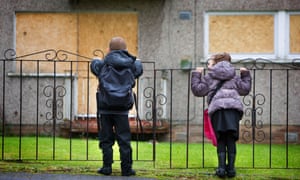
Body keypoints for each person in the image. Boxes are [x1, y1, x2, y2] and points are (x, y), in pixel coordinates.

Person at [191, 52, 251, 178]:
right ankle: (231, 169)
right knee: (231, 138)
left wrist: (197, 74)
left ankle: (221, 168)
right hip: (233, 110)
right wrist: (245, 74)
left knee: (221, 139)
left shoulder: (210, 77)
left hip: (218, 110)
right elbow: (245, 89)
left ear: (216, 63)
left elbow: (198, 90)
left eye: (210, 62)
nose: (208, 64)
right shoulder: (233, 76)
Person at [90, 37, 143, 176]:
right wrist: (135, 60)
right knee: (124, 139)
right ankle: (126, 169)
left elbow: (94, 65)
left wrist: (97, 59)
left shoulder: (103, 65)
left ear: (109, 49)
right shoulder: (131, 65)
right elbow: (139, 69)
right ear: (125, 50)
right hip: (122, 109)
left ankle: (107, 167)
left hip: (105, 107)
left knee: (106, 139)